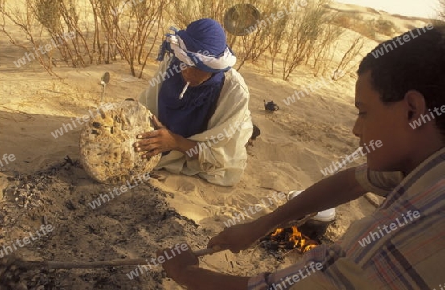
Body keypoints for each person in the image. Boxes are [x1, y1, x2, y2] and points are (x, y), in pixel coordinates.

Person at [156, 24, 445, 289]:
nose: (357, 129)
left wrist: (187, 274)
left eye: (363, 112)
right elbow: (352, 182)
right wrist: (260, 226)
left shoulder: (421, 227)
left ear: (413, 110)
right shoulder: (427, 161)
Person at [134, 18, 253, 186]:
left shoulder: (234, 91)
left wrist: (176, 142)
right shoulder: (171, 66)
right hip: (166, 136)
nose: (188, 72)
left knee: (229, 154)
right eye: (184, 63)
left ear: (214, 68)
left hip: (214, 135)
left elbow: (219, 154)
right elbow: (148, 106)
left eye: (198, 68)